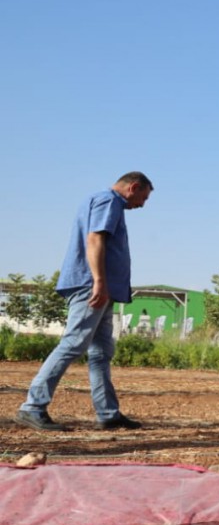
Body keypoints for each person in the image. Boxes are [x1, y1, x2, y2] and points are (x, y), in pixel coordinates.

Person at [15, 173, 153, 432]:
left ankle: (108, 413)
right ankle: (32, 406)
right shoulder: (109, 201)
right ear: (133, 187)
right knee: (73, 343)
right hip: (92, 286)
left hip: (103, 288)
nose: (141, 205)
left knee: (101, 352)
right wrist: (98, 281)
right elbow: (95, 239)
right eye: (142, 198)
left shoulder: (103, 201)